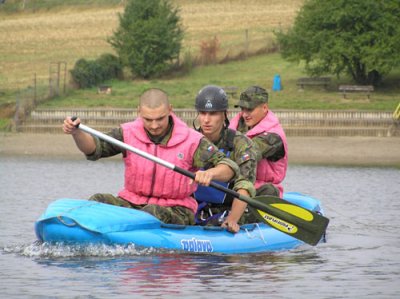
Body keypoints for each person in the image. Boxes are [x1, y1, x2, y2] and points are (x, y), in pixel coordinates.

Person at [63, 88, 239, 226]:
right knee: (98, 200)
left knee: (152, 212)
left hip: (176, 208)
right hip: (132, 202)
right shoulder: (127, 133)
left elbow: (229, 167)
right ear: (139, 111)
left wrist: (211, 174)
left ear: (170, 110)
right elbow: (94, 149)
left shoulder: (191, 140)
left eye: (160, 119)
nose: (154, 125)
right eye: (148, 119)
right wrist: (76, 133)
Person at [193, 85, 257, 233]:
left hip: (229, 207)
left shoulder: (242, 143)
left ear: (224, 114)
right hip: (194, 206)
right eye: (202, 113)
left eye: (213, 114)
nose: (206, 120)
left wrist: (232, 219)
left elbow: (244, 186)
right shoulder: (188, 139)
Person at [229, 85, 288, 197]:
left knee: (269, 191)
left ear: (264, 108)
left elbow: (247, 152)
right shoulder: (235, 125)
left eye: (250, 109)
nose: (245, 114)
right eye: (242, 109)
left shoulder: (274, 137)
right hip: (232, 185)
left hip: (261, 190)